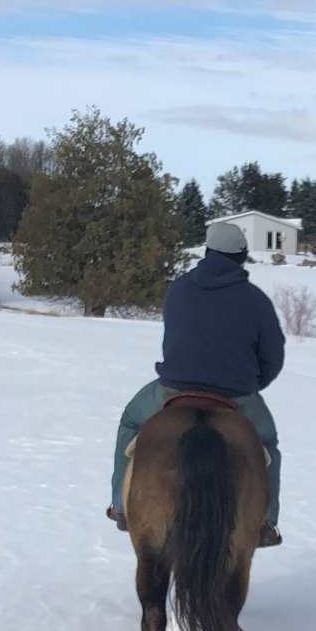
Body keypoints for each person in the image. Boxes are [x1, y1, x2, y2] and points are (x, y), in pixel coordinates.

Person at [108, 218, 286, 544]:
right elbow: (273, 357)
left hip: (174, 388)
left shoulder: (178, 288)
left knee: (132, 421)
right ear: (241, 257)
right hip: (237, 395)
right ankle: (266, 523)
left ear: (207, 251)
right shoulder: (256, 300)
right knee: (268, 444)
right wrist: (250, 384)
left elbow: (175, 337)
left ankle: (121, 506)